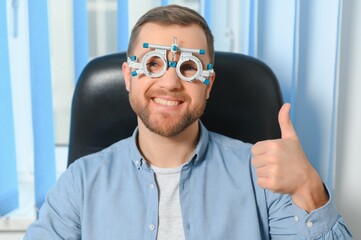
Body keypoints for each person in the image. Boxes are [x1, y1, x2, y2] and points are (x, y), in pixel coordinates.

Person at [24, 4, 352, 240]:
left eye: (189, 67)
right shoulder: (81, 182)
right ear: (128, 77)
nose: (169, 83)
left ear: (208, 85)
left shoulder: (264, 175)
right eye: (153, 63)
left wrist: (309, 189)